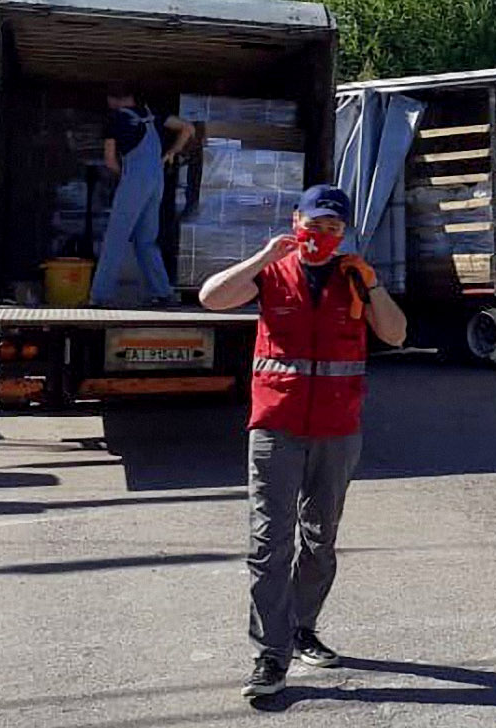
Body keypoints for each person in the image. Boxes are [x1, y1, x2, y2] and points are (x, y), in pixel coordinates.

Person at [198, 185, 408, 699]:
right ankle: (270, 656)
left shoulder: (353, 279)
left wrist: (375, 286)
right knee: (269, 544)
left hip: (338, 431)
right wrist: (264, 255)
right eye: (315, 225)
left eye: (334, 228)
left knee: (320, 540)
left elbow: (397, 335)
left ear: (344, 233)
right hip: (276, 427)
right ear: (297, 221)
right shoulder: (273, 271)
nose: (322, 236)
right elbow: (212, 297)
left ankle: (301, 627)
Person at [89, 87, 194, 306]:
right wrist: (173, 152)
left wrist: (124, 178)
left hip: (135, 179)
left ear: (112, 100)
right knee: (145, 240)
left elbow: (109, 160)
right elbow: (188, 127)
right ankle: (164, 292)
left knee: (115, 239)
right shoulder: (151, 115)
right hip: (157, 180)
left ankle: (100, 296)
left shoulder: (114, 119)